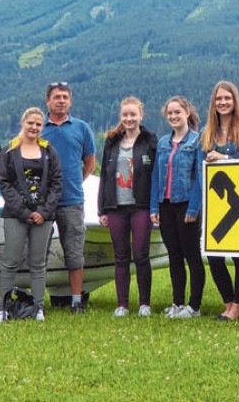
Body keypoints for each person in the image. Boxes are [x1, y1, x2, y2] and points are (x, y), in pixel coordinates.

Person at [0, 107, 62, 323]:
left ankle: (39, 307)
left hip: (43, 215)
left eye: (38, 124)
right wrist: (24, 212)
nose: (34, 127)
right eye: (30, 123)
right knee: (11, 261)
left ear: (42, 127)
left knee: (38, 263)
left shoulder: (49, 151)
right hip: (16, 215)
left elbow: (56, 183)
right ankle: (1, 308)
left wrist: (43, 212)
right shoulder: (9, 151)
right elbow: (4, 183)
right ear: (23, 123)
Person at [200, 82, 239, 322]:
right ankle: (228, 302)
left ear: (235, 101)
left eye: (227, 98)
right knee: (214, 256)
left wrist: (224, 157)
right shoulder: (207, 133)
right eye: (218, 99)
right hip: (215, 204)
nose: (223, 102)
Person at [98, 97, 158, 317]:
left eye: (133, 115)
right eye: (125, 115)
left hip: (141, 205)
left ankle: (144, 303)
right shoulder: (112, 141)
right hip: (116, 206)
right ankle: (122, 304)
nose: (129, 119)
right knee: (120, 256)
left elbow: (157, 175)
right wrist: (102, 209)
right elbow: (104, 175)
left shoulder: (150, 140)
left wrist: (155, 207)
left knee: (141, 254)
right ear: (120, 117)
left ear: (141, 115)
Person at [41, 82, 97, 314]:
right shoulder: (37, 128)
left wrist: (72, 182)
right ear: (48, 101)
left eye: (65, 97)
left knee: (74, 252)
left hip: (72, 200)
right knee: (38, 252)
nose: (61, 100)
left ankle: (76, 301)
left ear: (70, 101)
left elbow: (90, 164)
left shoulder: (82, 128)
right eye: (56, 97)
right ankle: (35, 301)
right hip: (42, 202)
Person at [150, 96, 205, 319]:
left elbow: (200, 177)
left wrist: (193, 208)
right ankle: (177, 302)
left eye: (177, 112)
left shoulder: (197, 141)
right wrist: (154, 205)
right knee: (174, 255)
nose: (173, 117)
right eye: (170, 113)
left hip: (186, 205)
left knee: (191, 255)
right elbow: (156, 176)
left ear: (187, 113)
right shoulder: (163, 142)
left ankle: (194, 305)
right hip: (166, 205)